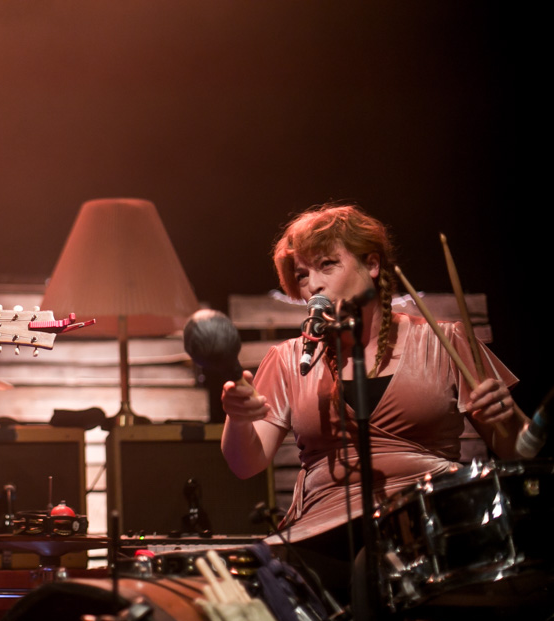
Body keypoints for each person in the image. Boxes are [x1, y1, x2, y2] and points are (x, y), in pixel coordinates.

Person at [219, 202, 527, 599]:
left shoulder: (444, 340)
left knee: (376, 569)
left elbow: (517, 451)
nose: (312, 283)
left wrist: (509, 415)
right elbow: (245, 465)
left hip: (426, 522)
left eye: (327, 264)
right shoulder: (288, 359)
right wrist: (239, 418)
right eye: (302, 274)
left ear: (373, 265)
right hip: (324, 530)